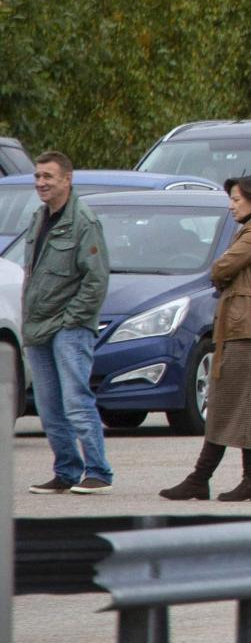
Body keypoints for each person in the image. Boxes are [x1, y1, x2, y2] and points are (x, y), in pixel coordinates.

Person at [160, 175, 251, 502]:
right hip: (241, 325)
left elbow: (220, 268)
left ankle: (207, 477)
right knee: (234, 403)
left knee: (235, 404)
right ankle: (243, 480)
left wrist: (222, 275)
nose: (232, 206)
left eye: (237, 199)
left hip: (248, 326)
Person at [22, 151, 112, 494]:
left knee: (75, 399)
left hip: (69, 327)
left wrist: (72, 320)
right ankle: (66, 470)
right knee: (48, 406)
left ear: (67, 180)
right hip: (38, 326)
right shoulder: (38, 217)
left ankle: (98, 471)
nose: (41, 183)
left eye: (48, 176)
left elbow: (96, 279)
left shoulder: (83, 221)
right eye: (38, 176)